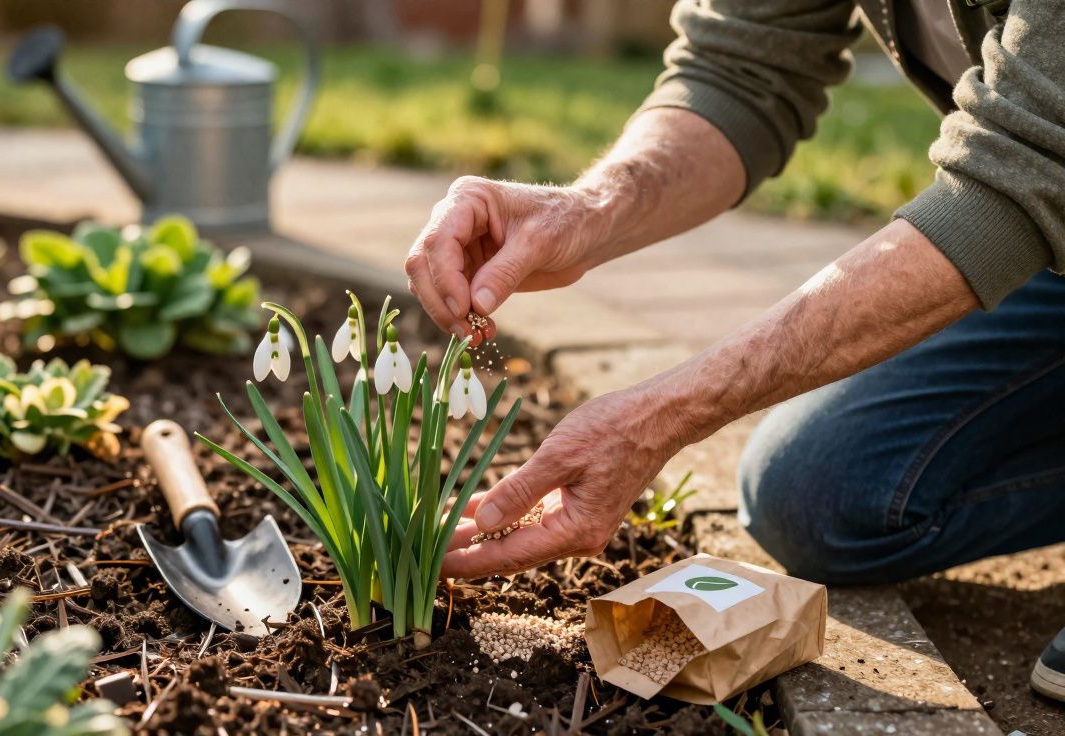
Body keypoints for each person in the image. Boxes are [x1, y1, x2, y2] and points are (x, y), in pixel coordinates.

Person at [405, 0, 1065, 702]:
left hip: (1034, 189)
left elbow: (1017, 174)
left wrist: (662, 414)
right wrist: (585, 209)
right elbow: (742, 68)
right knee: (818, 493)